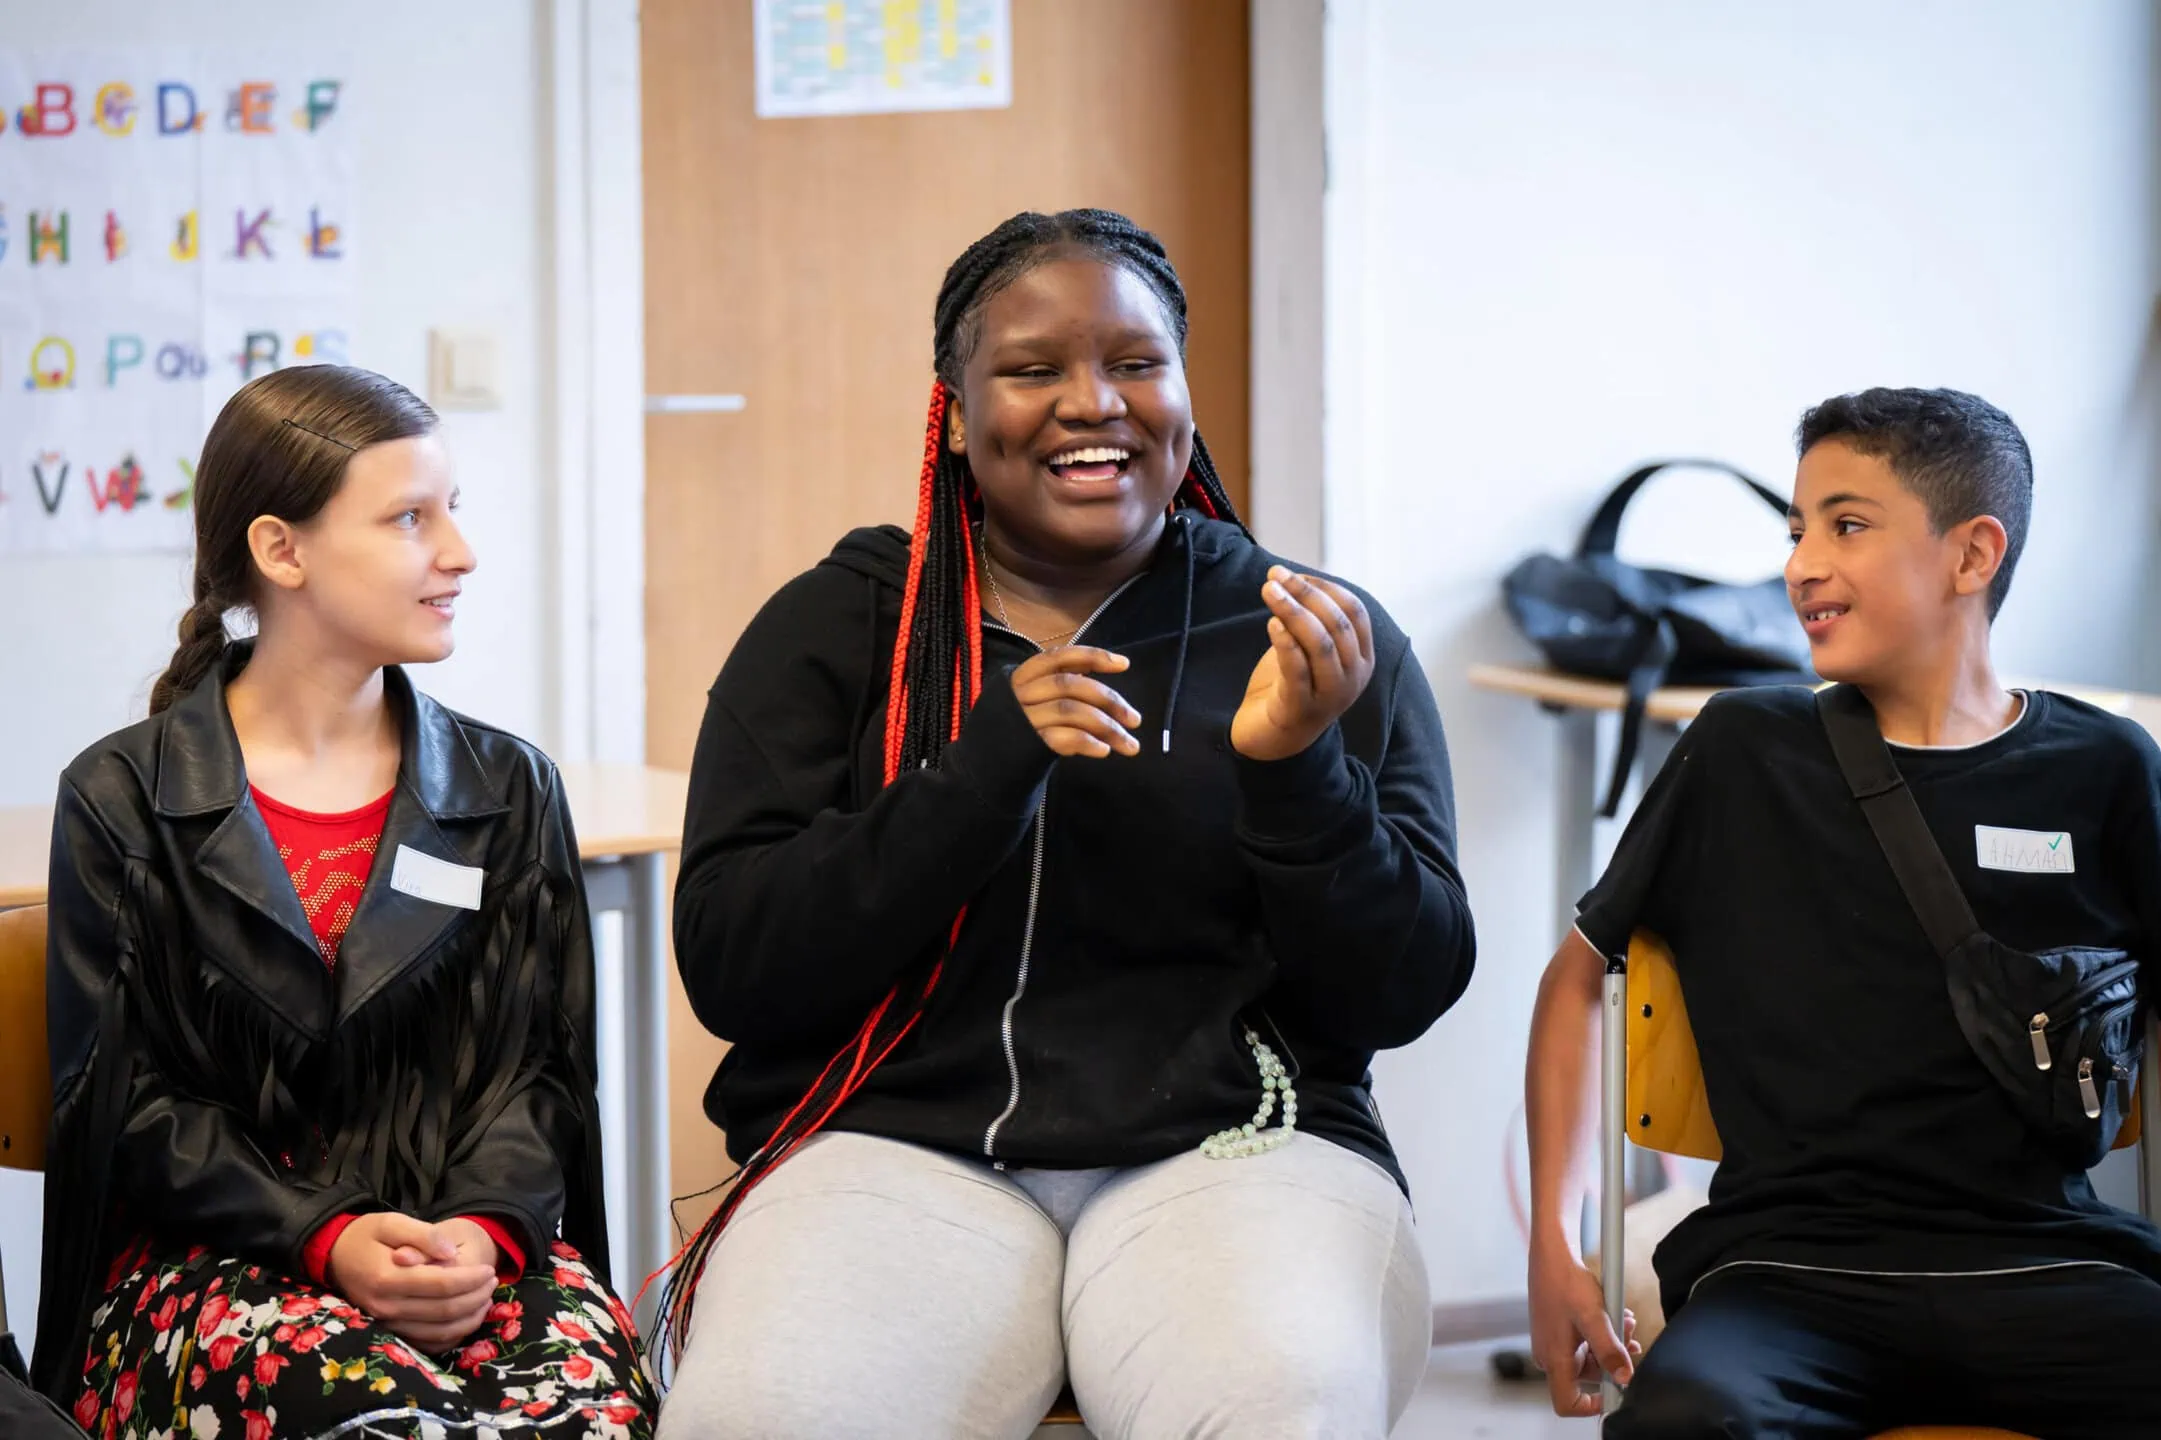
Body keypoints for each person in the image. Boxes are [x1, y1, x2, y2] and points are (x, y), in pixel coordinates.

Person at [654, 209, 1475, 1440]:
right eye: (1033, 369)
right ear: (955, 405)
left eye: (1136, 364)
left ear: (1183, 393)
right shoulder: (836, 628)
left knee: (1278, 1404)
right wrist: (978, 770)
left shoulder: (1311, 635)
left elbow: (1399, 992)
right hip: (893, 1145)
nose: (1092, 402)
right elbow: (737, 967)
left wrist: (1296, 772)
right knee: (763, 1416)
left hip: (1237, 1150)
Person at [1524, 388, 2161, 1438]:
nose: (1800, 564)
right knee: (1682, 1425)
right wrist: (1554, 1238)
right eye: (1796, 528)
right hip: (1785, 1275)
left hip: (2044, 1262)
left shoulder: (2101, 770)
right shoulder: (1742, 750)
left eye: (1845, 525)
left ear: (1972, 555)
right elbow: (1582, 975)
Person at [34, 365, 658, 1439]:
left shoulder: (508, 791)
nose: (458, 553)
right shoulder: (123, 798)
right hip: (216, 1267)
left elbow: (541, 1076)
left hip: (473, 1256)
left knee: (590, 1415)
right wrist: (326, 1237)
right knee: (382, 1421)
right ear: (282, 551)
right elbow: (130, 1113)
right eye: (411, 518)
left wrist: (479, 1232)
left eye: (451, 509)